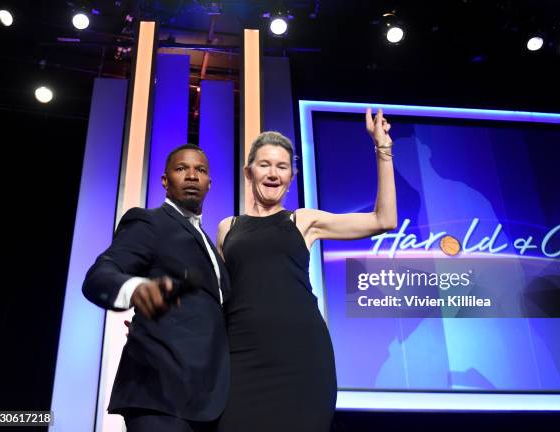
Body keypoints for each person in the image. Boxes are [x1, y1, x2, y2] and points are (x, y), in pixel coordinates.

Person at [215, 108, 397, 432]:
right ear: (249, 172)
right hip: (240, 357)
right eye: (265, 164)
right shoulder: (227, 228)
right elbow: (216, 296)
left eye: (282, 166)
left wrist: (383, 149)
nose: (273, 173)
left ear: (290, 177)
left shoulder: (304, 220)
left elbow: (384, 220)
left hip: (301, 357)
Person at [82, 144, 231, 432]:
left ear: (209, 183)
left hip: (208, 402)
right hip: (159, 395)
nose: (191, 176)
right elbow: (99, 275)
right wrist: (136, 289)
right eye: (181, 169)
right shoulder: (150, 222)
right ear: (165, 181)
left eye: (200, 170)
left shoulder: (210, 246)